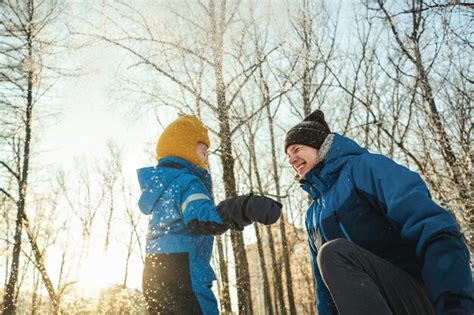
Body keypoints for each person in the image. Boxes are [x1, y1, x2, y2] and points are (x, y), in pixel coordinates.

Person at [284, 110, 473, 315]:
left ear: (318, 145)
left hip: (419, 297)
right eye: (288, 155)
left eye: (297, 149)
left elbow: (432, 228)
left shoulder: (366, 168)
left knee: (333, 252)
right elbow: (324, 291)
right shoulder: (312, 215)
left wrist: (455, 304)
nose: (291, 160)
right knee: (330, 256)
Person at [137, 114, 281, 315]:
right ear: (185, 149)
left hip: (155, 272)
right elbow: (202, 218)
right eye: (203, 151)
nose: (206, 159)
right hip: (184, 271)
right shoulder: (186, 181)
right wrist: (245, 207)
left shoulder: (163, 185)